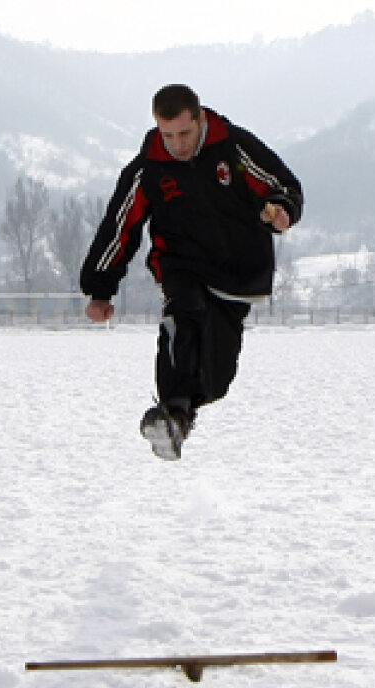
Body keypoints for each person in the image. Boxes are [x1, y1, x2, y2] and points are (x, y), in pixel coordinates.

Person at [80, 84, 303, 459]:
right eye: (167, 135)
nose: (177, 144)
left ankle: (184, 412)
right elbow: (121, 229)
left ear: (200, 119)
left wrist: (281, 209)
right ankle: (172, 412)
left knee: (217, 378)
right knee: (183, 314)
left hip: (237, 272)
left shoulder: (233, 147)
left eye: (184, 133)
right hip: (181, 265)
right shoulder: (147, 170)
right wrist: (100, 290)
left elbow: (283, 185)